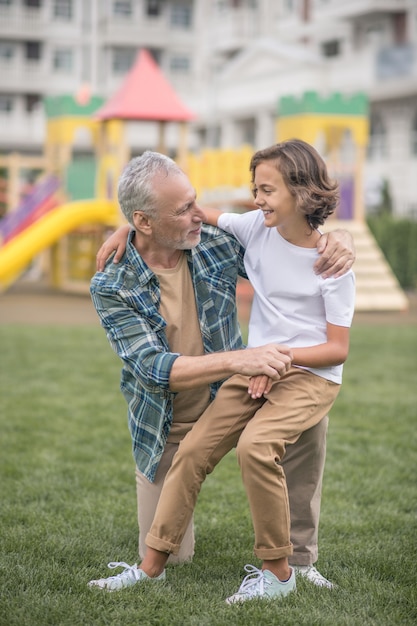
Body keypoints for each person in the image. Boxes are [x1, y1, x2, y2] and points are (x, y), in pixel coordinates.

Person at [89, 147, 355, 597]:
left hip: (266, 377)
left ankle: (292, 566)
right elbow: (153, 368)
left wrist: (341, 235)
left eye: (195, 203)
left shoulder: (213, 242)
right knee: (182, 531)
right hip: (167, 419)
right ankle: (150, 566)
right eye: (182, 209)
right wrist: (244, 360)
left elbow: (297, 235)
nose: (198, 215)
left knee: (287, 439)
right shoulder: (113, 282)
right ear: (145, 221)